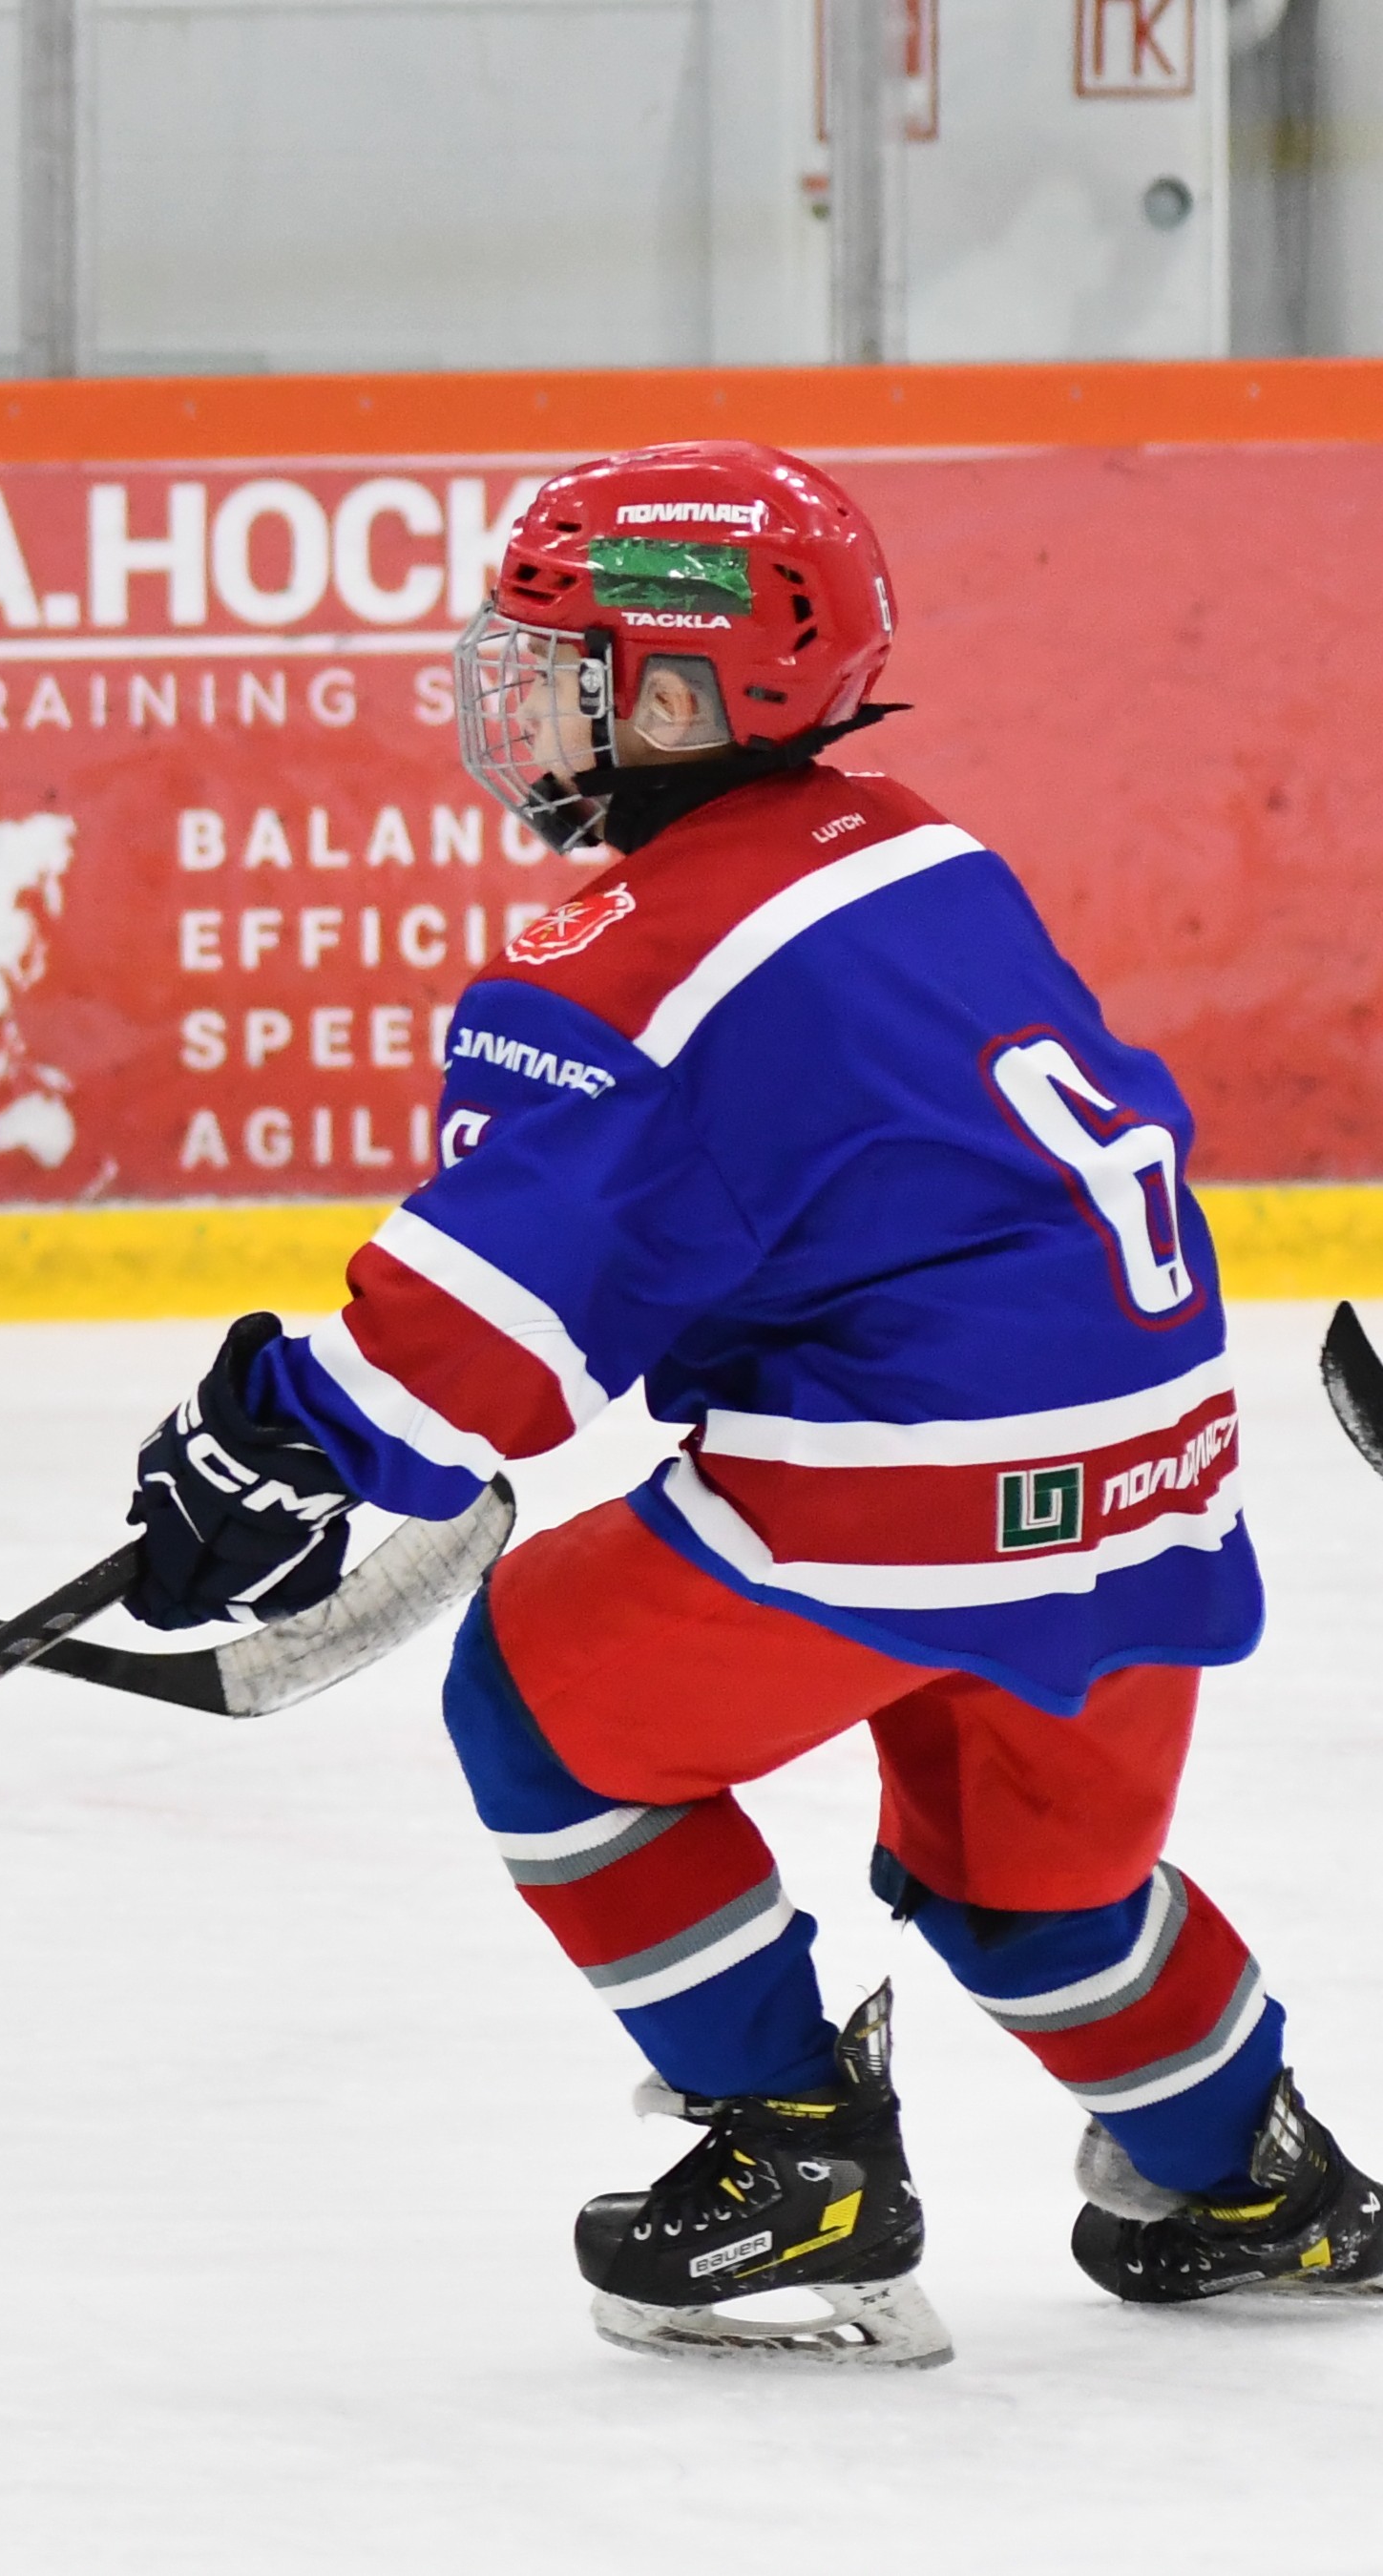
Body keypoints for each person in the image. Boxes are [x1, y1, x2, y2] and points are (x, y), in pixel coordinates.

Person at [120, 438, 1370, 2364]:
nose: (523, 704)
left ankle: (797, 2165)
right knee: (1041, 1887)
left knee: (537, 1699)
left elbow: (509, 1313)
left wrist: (285, 1439)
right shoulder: (914, 845)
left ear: (682, 696)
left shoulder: (630, 956)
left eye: (565, 666)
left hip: (909, 1479)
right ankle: (1255, 2185)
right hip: (1150, 1466)